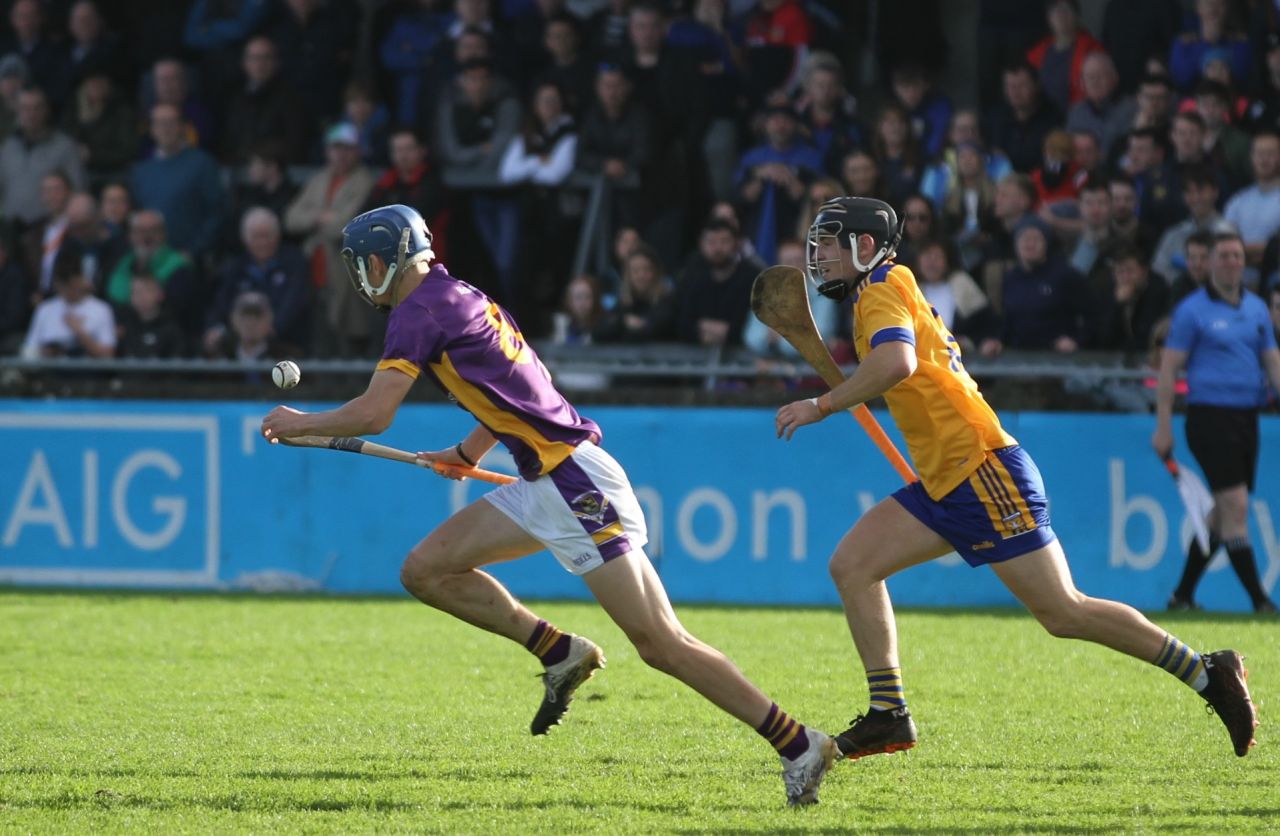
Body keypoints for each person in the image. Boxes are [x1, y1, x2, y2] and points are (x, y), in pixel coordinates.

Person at [258, 204, 838, 805]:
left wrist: (303, 424)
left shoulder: (416, 313)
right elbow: (515, 384)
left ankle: (798, 743)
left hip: (572, 483)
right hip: (547, 481)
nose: (360, 276)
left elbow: (376, 413)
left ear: (381, 261)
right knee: (427, 570)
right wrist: (466, 448)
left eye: (361, 264)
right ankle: (559, 652)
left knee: (661, 643)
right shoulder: (458, 294)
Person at [772, 195, 1259, 767]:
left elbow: (897, 364)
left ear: (866, 246)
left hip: (981, 471)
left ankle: (1207, 672)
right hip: (944, 480)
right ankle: (889, 713)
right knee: (852, 566)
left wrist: (822, 405)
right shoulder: (879, 290)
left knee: (1063, 612)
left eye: (831, 243)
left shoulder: (881, 287)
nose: (821, 255)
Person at [1153, 232, 1280, 614]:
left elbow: (1272, 362)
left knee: (1221, 514)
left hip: (1246, 417)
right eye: (1222, 255)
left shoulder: (1257, 309)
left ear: (1245, 262)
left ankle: (1182, 595)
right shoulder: (1193, 311)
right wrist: (1163, 425)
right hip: (1209, 417)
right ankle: (1260, 601)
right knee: (1236, 506)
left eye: (1237, 256)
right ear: (1209, 263)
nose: (1231, 262)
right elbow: (1169, 368)